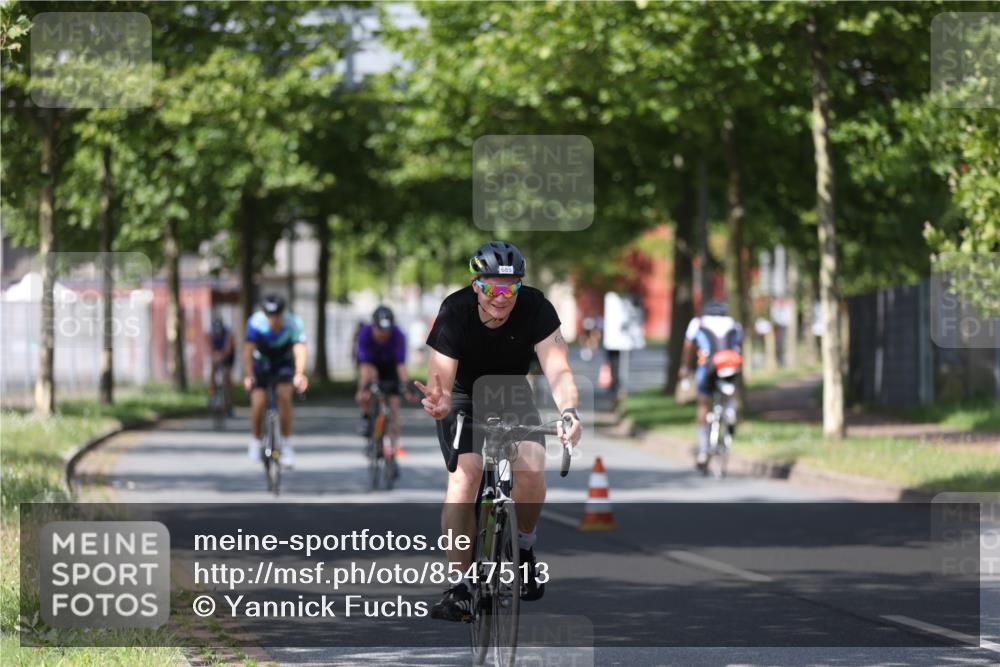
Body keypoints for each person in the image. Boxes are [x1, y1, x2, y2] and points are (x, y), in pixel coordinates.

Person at [416, 240, 583, 622]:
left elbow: (558, 368)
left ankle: (523, 548)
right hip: (463, 397)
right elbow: (440, 376)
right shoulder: (454, 311)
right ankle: (459, 585)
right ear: (476, 285)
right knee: (465, 478)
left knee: (531, 467)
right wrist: (439, 402)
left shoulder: (537, 308)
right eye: (492, 288)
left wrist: (569, 410)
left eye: (510, 288)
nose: (501, 298)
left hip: (511, 393)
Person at [243, 294, 308, 467]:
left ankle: (286, 445)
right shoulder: (255, 323)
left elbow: (299, 349)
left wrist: (299, 374)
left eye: (277, 315)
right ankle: (256, 440)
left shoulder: (293, 322)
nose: (274, 320)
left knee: (284, 397)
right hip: (262, 364)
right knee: (258, 402)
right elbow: (248, 351)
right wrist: (248, 375)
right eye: (270, 316)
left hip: (283, 364)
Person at [678, 299, 744, 470]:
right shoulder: (734, 324)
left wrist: (684, 367)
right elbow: (739, 346)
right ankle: (730, 410)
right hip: (729, 365)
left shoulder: (698, 323)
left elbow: (688, 346)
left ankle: (702, 449)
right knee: (729, 392)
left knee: (703, 403)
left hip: (708, 367)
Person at [354, 305, 417, 458]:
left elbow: (400, 365)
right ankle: (367, 415)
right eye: (380, 331)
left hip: (390, 368)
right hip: (371, 366)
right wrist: (363, 388)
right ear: (373, 325)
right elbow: (364, 364)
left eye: (386, 331)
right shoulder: (364, 334)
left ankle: (394, 445)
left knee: (394, 407)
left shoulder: (398, 335)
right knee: (368, 380)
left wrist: (407, 388)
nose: (383, 335)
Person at [206, 316, 235, 415]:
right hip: (216, 353)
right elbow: (209, 348)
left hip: (228, 355)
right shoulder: (209, 334)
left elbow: (228, 349)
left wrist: (222, 356)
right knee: (213, 371)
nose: (218, 334)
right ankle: (212, 393)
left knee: (227, 375)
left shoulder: (229, 333)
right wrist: (215, 355)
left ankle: (229, 402)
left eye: (220, 332)